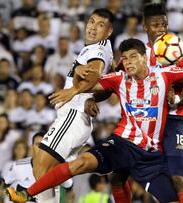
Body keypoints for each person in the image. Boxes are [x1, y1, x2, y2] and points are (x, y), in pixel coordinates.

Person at [6, 38, 183, 203]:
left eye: (133, 57)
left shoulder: (163, 75)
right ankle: (27, 193)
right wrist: (74, 88)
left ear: (145, 58)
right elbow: (93, 84)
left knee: (171, 197)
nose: (127, 62)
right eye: (124, 58)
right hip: (122, 144)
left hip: (149, 155)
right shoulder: (119, 78)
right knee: (81, 164)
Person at [83, 4, 183, 202]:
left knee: (178, 179)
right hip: (141, 124)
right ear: (145, 27)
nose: (161, 29)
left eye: (164, 25)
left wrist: (178, 99)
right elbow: (112, 84)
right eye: (155, 25)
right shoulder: (137, 54)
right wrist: (91, 98)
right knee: (117, 177)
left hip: (174, 121)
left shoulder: (178, 52)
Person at [31, 8, 114, 188]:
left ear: (109, 31)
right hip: (75, 117)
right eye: (91, 21)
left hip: (73, 116)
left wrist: (74, 90)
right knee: (53, 176)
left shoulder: (98, 50)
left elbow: (94, 73)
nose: (93, 28)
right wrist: (90, 98)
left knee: (40, 168)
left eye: (100, 25)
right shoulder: (102, 49)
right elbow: (108, 87)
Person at [0, 132, 73, 203]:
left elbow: (69, 190)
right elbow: (2, 189)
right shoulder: (18, 166)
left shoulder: (58, 168)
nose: (41, 148)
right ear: (32, 146)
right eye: (38, 144)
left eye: (44, 145)